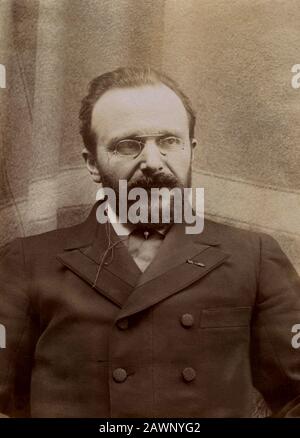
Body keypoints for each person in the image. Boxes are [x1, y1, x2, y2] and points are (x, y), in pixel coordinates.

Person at [0, 66, 300, 418]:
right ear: (92, 163)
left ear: (191, 150)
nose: (153, 162)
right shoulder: (26, 262)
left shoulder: (254, 257)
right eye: (129, 145)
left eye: (169, 141)